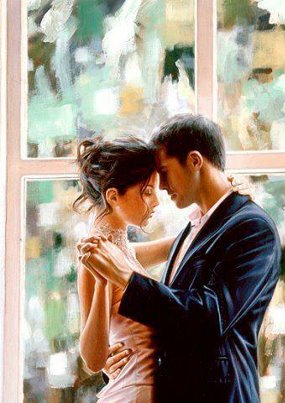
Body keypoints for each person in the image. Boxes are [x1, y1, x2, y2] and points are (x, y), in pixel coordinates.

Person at [78, 114, 281, 403]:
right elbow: (166, 313)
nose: (161, 187)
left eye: (163, 172)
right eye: (148, 189)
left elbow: (209, 318)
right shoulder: (192, 230)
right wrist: (119, 357)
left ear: (195, 161)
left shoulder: (252, 227)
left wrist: (126, 278)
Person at [74, 136, 175, 402]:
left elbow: (181, 243)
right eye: (147, 192)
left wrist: (225, 201)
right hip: (135, 393)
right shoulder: (97, 254)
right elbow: (93, 360)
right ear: (113, 196)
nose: (156, 202)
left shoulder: (121, 249)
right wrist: (104, 283)